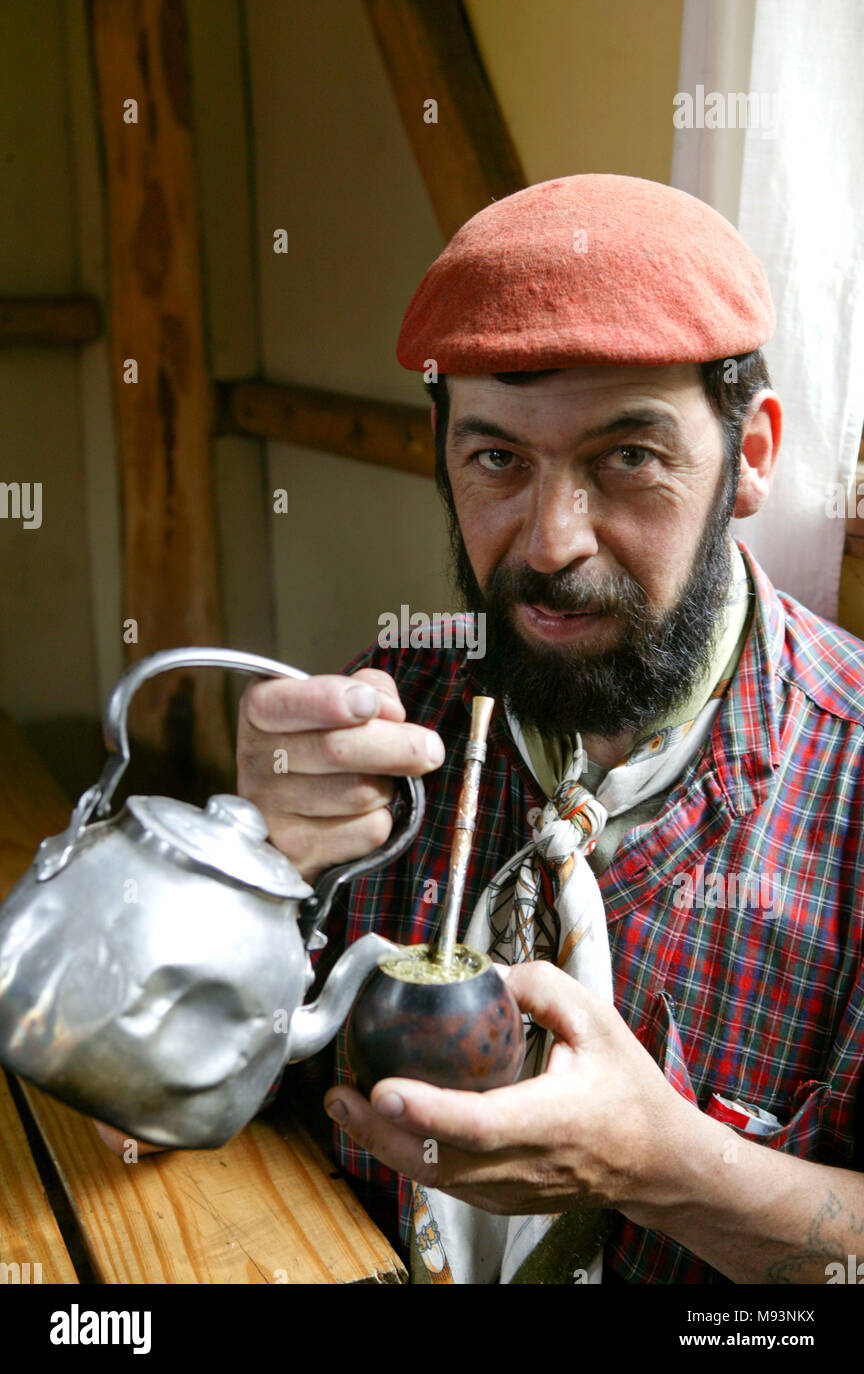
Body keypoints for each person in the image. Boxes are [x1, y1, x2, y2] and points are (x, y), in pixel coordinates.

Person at [120, 175, 864, 1284]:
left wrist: (660, 1167)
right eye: (497, 459)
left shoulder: (849, 792)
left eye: (630, 456)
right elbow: (151, 1099)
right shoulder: (382, 724)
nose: (552, 542)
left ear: (750, 454)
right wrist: (244, 872)